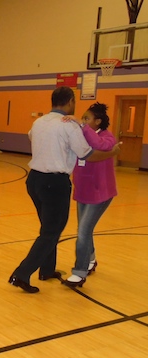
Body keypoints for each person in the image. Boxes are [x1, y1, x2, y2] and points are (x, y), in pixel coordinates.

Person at [8, 86, 121, 293]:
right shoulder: (69, 126)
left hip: (34, 180)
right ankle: (22, 274)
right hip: (54, 183)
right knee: (51, 231)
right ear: (69, 102)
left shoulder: (39, 121)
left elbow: (33, 137)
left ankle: (47, 270)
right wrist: (112, 153)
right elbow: (88, 155)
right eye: (74, 102)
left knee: (48, 227)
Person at [65, 102, 117, 287]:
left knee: (83, 231)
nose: (84, 121)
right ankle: (91, 259)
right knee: (84, 229)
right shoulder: (83, 135)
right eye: (84, 118)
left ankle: (79, 272)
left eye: (87, 118)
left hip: (101, 193)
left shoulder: (107, 137)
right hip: (83, 191)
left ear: (98, 121)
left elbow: (99, 145)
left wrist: (81, 125)